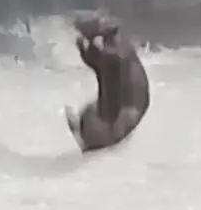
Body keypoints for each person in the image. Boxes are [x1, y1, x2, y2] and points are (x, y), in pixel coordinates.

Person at [64, 13, 150, 153]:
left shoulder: (117, 54)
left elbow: (112, 58)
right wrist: (90, 44)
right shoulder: (115, 55)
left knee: (97, 116)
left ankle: (95, 136)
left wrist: (92, 37)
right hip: (126, 106)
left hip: (128, 107)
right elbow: (102, 63)